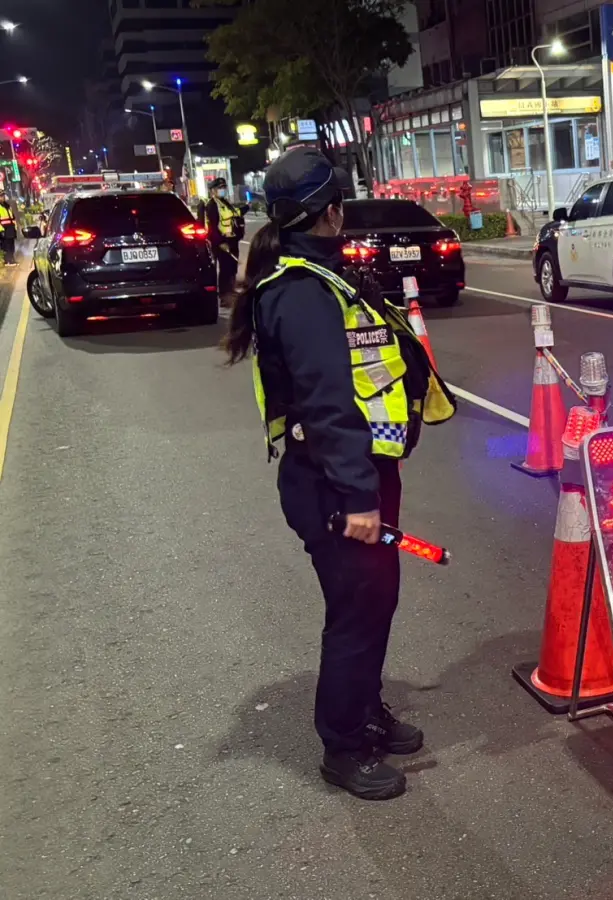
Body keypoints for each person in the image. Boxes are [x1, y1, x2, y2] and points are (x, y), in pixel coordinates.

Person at [221, 147, 456, 801]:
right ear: (330, 212)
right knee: (355, 610)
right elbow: (328, 405)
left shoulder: (325, 279)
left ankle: (366, 710)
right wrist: (358, 498)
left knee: (375, 600)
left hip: (358, 475)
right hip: (333, 484)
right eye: (341, 203)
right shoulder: (301, 294)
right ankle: (344, 746)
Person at [205, 178, 244, 304]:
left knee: (232, 266)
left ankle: (231, 290)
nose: (222, 190)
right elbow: (212, 226)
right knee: (225, 268)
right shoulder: (212, 205)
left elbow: (234, 214)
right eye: (220, 188)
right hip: (222, 242)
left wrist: (246, 208)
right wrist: (220, 242)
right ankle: (224, 295)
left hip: (232, 239)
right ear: (213, 190)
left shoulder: (225, 203)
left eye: (224, 187)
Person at [0, 198, 17, 267]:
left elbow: (13, 218)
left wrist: (15, 228)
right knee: (6, 246)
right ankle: (7, 261)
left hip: (11, 228)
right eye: (1, 196)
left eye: (3, 196)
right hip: (4, 229)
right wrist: (1, 230)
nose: (2, 197)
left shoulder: (8, 206)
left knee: (11, 245)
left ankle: (12, 259)